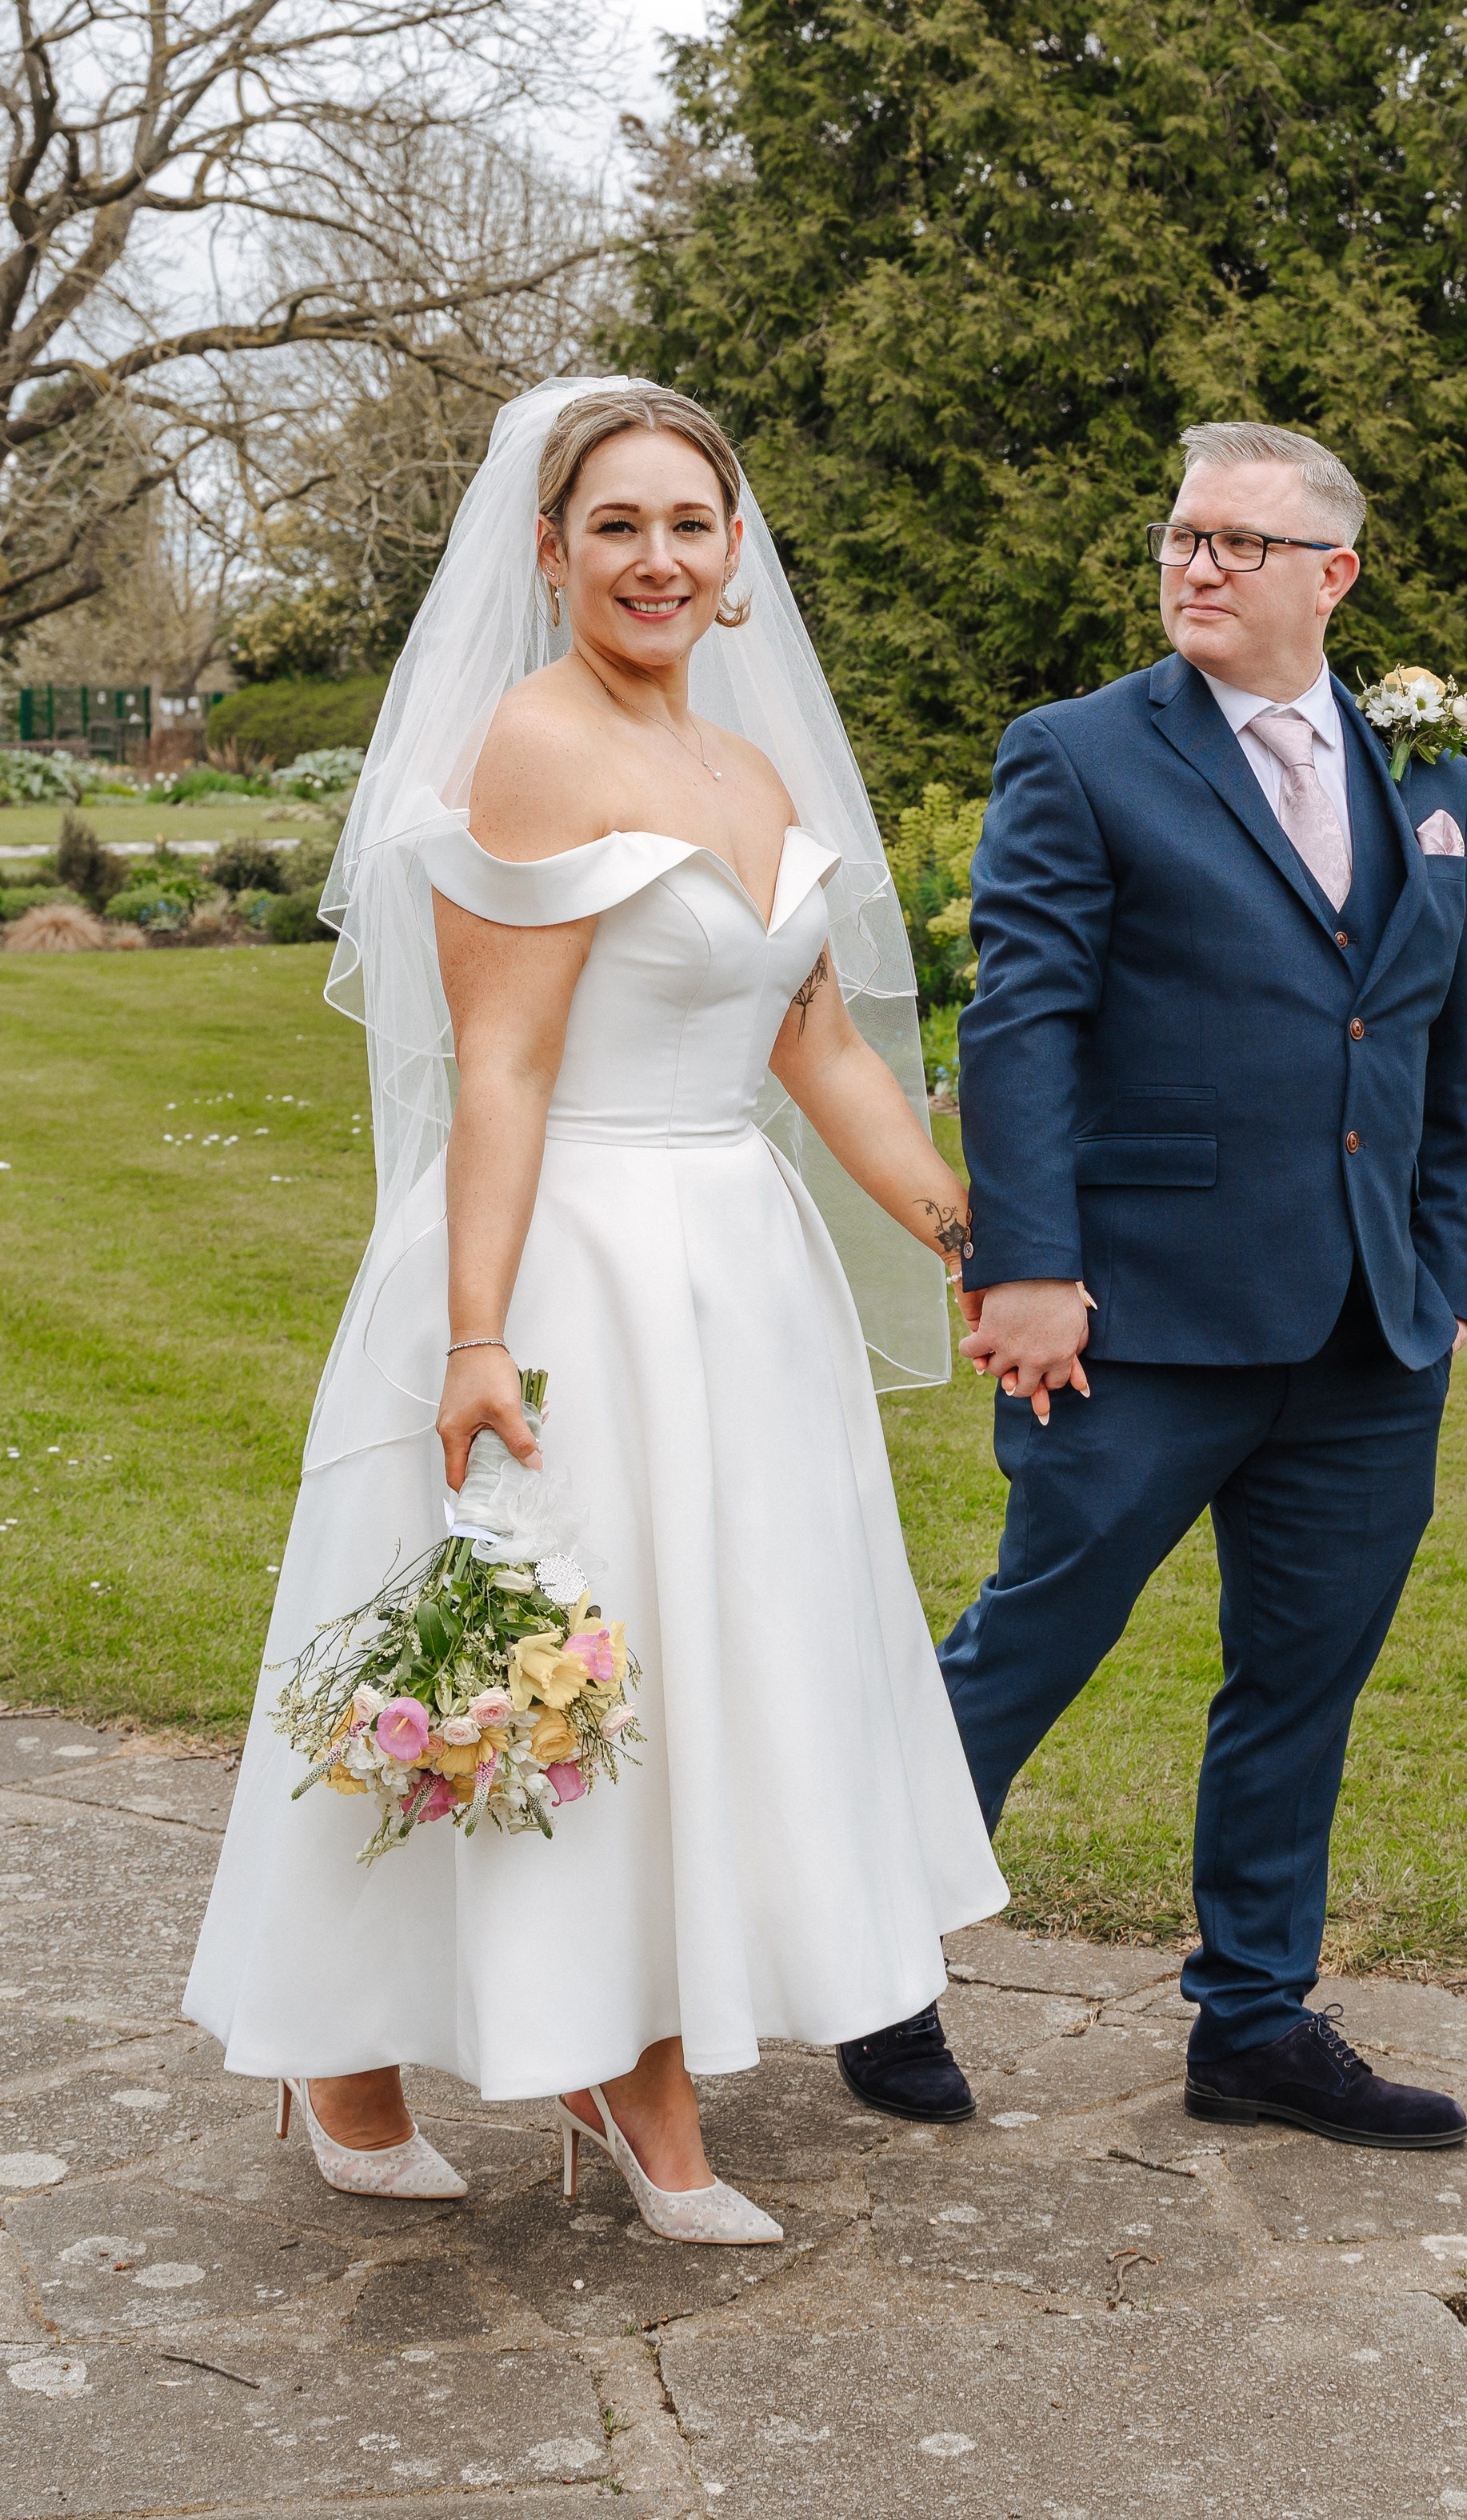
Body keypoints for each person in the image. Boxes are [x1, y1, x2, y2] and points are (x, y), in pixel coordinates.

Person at [186, 381, 1005, 2228]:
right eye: (616, 525)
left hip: (737, 1271)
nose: (657, 558)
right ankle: (574, 2085)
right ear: (547, 549)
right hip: (566, 1265)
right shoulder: (537, 746)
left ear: (735, 561)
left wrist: (963, 1224)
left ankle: (533, 2053)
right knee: (538, 1661)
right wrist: (475, 1336)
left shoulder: (754, 775)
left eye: (690, 525)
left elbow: (820, 1049)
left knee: (699, 1664)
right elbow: (503, 1071)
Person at [880, 418, 1467, 2149]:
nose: (1196, 567)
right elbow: (1023, 1017)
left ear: (1334, 574)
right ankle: (866, 1958)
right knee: (1030, 1643)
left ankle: (1252, 2022)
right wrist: (1028, 1266)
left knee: (1301, 1674)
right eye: (1178, 537)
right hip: (1135, 1315)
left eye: (1237, 542)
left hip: (1372, 1327)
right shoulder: (1081, 754)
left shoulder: (1425, 769)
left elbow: (1448, 1036)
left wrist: (1449, 1259)